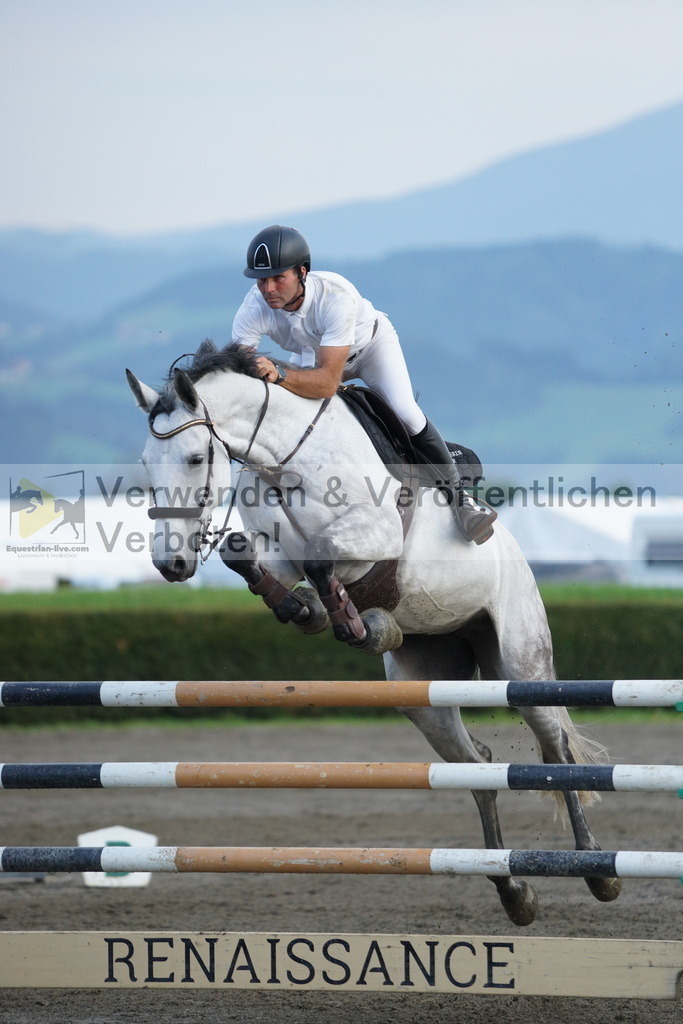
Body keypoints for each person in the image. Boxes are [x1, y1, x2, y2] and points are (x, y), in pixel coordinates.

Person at [231, 225, 496, 543]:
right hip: (312, 361)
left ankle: (461, 502)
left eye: (278, 278)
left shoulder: (334, 295)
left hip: (369, 350)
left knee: (406, 412)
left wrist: (281, 374)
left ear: (302, 272)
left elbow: (328, 382)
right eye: (261, 280)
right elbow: (240, 374)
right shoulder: (252, 307)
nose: (268, 288)